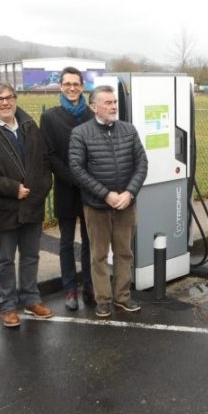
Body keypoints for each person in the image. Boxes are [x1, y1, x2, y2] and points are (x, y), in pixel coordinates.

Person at [0, 82, 54, 328]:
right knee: (5, 258)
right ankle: (8, 305)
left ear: (15, 99)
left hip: (33, 204)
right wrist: (12, 189)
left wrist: (41, 189)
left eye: (9, 97)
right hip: (3, 206)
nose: (5, 103)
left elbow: (44, 163)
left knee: (30, 256)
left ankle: (31, 299)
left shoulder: (29, 126)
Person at [68, 85, 148, 318]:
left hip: (126, 205)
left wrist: (129, 193)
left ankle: (122, 296)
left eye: (114, 102)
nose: (114, 106)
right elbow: (77, 169)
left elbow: (141, 164)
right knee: (99, 255)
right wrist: (106, 194)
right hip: (96, 207)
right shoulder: (80, 133)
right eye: (108, 103)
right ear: (94, 107)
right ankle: (103, 299)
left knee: (125, 252)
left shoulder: (128, 130)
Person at [40, 67, 95, 311]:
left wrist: (88, 180)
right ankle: (70, 288)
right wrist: (74, 178)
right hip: (66, 188)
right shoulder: (50, 117)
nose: (72, 88)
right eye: (67, 84)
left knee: (89, 240)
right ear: (60, 87)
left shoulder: (92, 115)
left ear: (82, 86)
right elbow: (50, 155)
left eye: (76, 83)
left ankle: (90, 285)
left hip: (90, 190)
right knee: (66, 242)